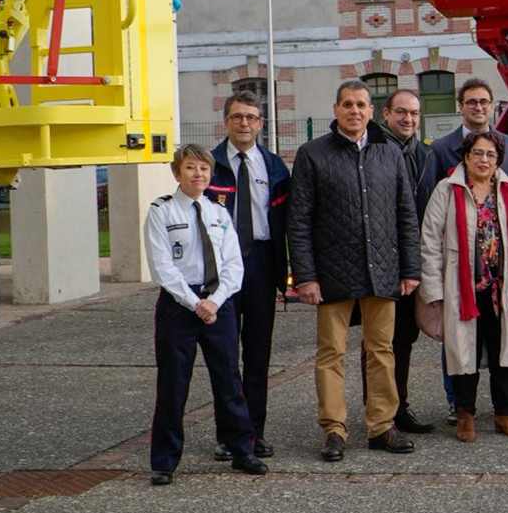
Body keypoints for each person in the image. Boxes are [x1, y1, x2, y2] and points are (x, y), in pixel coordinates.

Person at [287, 79, 421, 461]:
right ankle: (334, 428)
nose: (355, 111)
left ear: (371, 111)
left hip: (382, 270)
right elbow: (298, 222)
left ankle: (381, 426)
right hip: (331, 274)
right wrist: (306, 276)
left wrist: (409, 268)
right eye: (347, 104)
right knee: (331, 353)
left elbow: (405, 214)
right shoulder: (312, 155)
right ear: (336, 110)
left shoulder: (388, 153)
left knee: (381, 350)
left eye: (361, 104)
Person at [145, 144, 268, 485]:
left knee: (228, 379)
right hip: (179, 306)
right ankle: (165, 461)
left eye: (204, 169)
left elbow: (233, 265)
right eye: (190, 168)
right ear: (176, 173)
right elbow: (162, 266)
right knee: (173, 384)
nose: (198, 174)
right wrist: (193, 302)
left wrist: (214, 301)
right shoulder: (161, 212)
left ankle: (241, 449)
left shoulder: (218, 213)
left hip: (218, 304)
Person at [420, 130, 508, 441]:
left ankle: (504, 413)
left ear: (498, 159)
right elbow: (430, 243)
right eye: (478, 153)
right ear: (466, 156)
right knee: (465, 355)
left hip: (503, 289)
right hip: (462, 288)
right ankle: (465, 415)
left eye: (490, 154)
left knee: (505, 353)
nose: (484, 159)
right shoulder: (446, 190)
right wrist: (433, 291)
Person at [206, 93, 289, 461]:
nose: (244, 124)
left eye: (252, 118)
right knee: (224, 354)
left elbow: (285, 223)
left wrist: (284, 275)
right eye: (237, 117)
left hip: (259, 264)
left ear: (260, 124)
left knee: (258, 355)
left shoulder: (273, 167)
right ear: (225, 121)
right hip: (220, 269)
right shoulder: (208, 165)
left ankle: (254, 433)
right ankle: (229, 435)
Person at [378, 88, 440, 435]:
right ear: (386, 114)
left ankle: (399, 406)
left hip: (413, 262)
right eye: (401, 112)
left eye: (414, 113)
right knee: (378, 341)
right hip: (381, 261)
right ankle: (381, 411)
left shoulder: (425, 155)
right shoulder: (375, 149)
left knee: (404, 338)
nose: (408, 119)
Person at [426, 78, 508, 195]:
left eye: (483, 102)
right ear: (460, 107)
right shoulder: (440, 149)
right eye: (472, 102)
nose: (478, 107)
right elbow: (431, 195)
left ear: (491, 106)